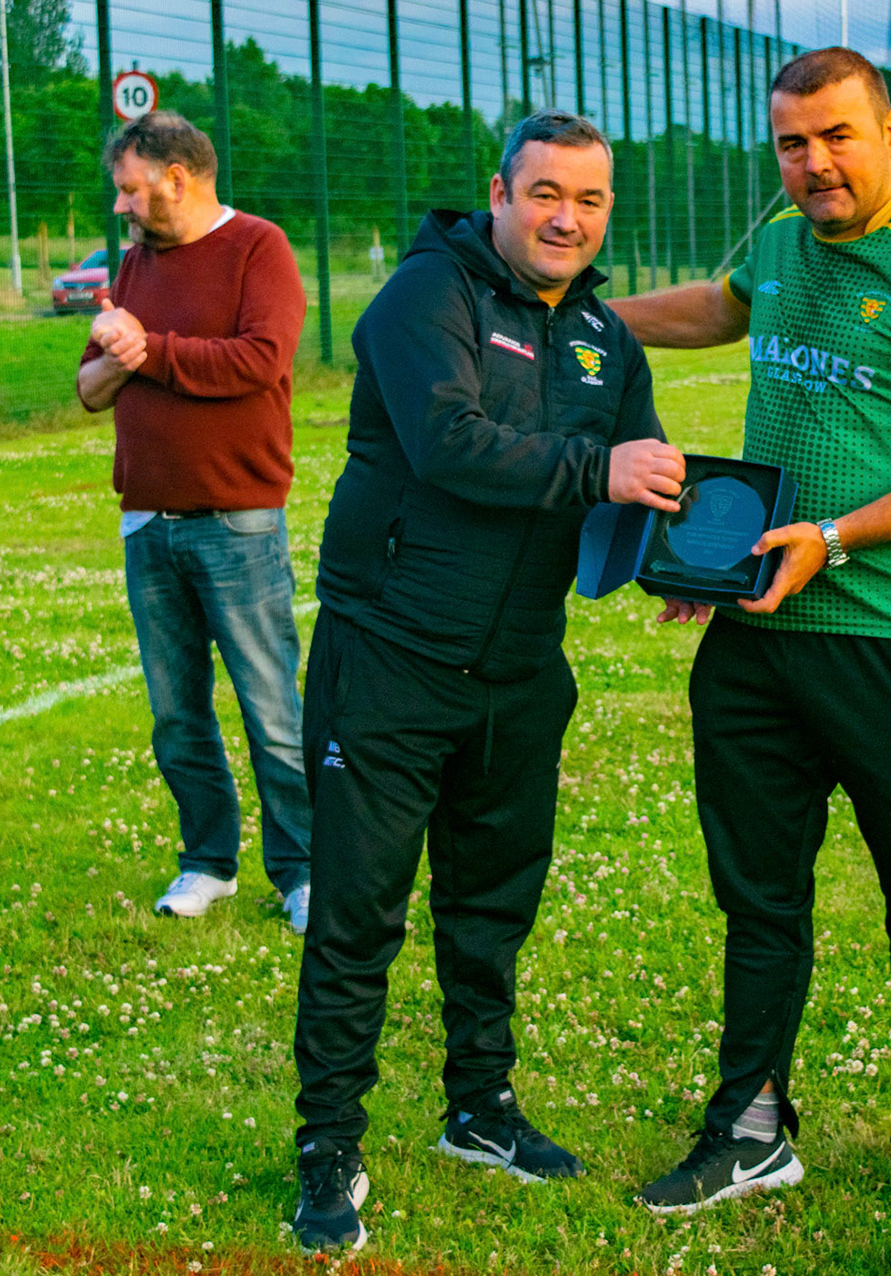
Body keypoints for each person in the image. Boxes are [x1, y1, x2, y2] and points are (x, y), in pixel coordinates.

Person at [608, 47, 891, 1212]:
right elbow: (720, 307)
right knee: (759, 897)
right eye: (793, 143)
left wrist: (831, 539)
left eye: (837, 136)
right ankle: (751, 1129)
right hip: (757, 636)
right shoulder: (784, 242)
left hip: (890, 640)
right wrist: (583, 313)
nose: (815, 162)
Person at [287, 110, 685, 1253]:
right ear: (500, 194)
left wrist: (677, 560)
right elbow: (448, 442)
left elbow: (640, 471)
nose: (567, 219)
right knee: (358, 917)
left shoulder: (605, 333)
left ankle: (480, 1108)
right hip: (391, 659)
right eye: (545, 193)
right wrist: (599, 469)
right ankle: (329, 1147)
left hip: (520, 671)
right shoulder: (427, 295)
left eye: (590, 200)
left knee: (491, 905)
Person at [76, 111, 314, 933]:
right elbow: (90, 388)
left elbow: (261, 361)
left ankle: (303, 871)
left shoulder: (258, 248)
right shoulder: (133, 263)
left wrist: (148, 349)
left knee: (270, 711)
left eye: (130, 189)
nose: (121, 205)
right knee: (177, 718)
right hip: (148, 523)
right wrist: (119, 352)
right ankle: (208, 862)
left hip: (238, 522)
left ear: (177, 178)